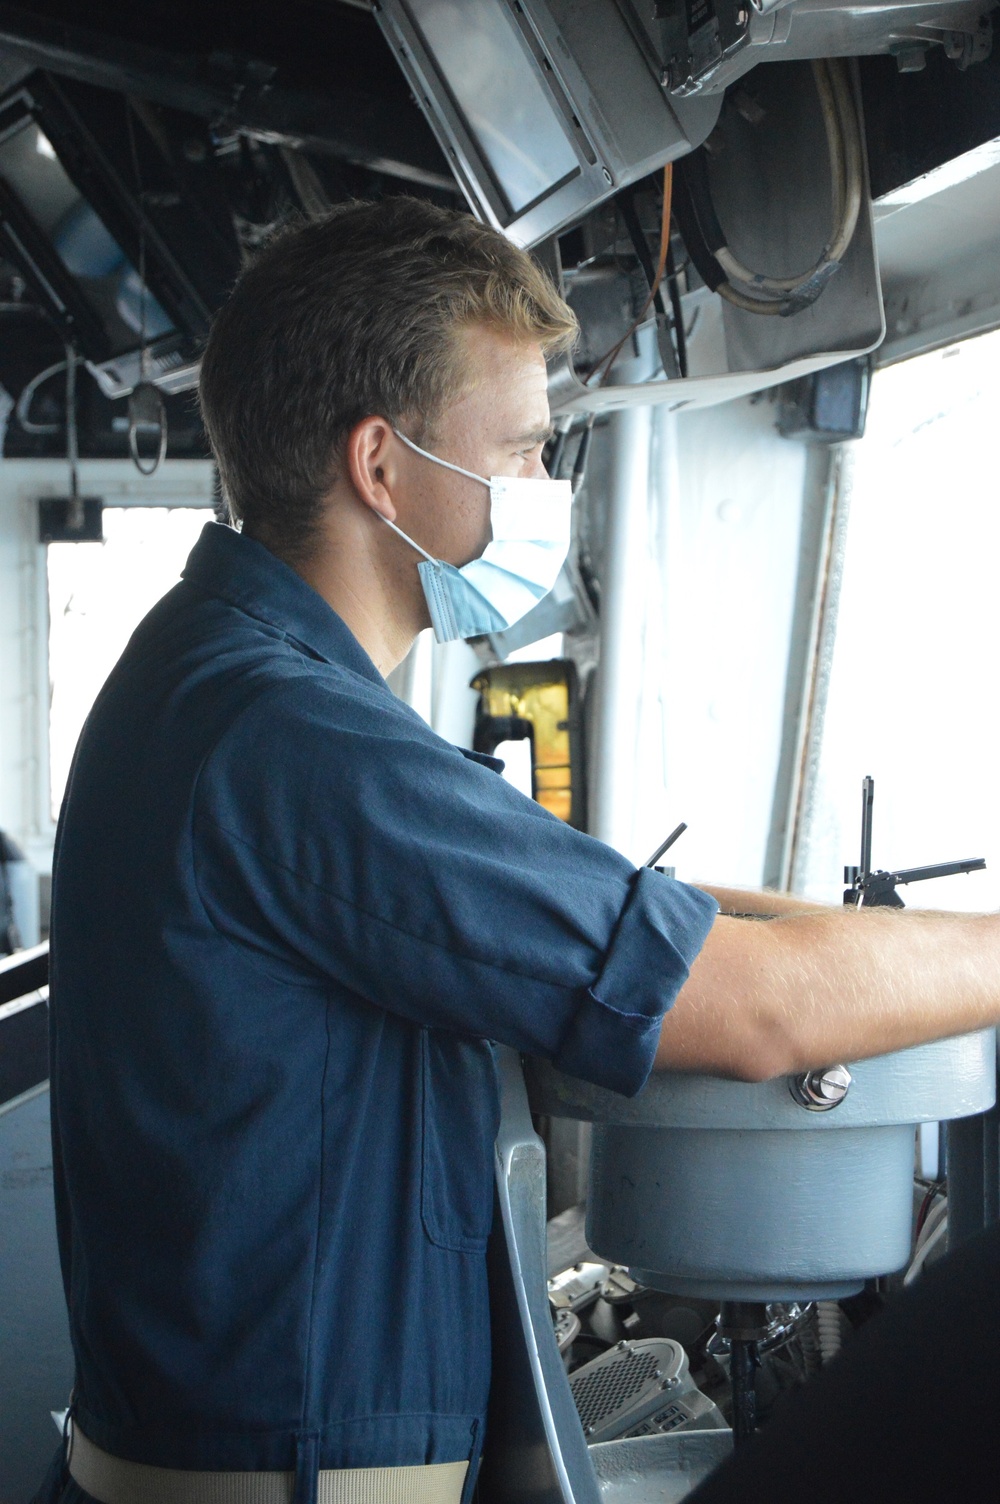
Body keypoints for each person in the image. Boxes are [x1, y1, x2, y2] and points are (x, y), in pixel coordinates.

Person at [35, 196, 1000, 1504]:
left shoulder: (224, 683)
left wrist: (827, 928)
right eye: (533, 451)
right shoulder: (299, 741)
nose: (549, 493)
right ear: (383, 468)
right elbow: (764, 1013)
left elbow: (595, 903)